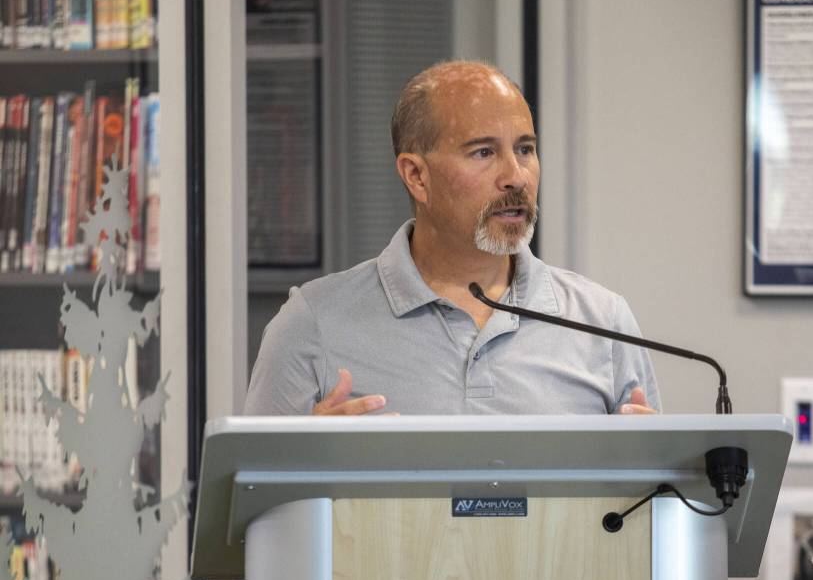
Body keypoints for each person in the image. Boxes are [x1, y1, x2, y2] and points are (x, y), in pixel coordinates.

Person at [244, 60, 660, 417]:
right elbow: (251, 506)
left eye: (526, 149)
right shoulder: (311, 324)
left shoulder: (602, 323)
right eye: (483, 152)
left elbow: (664, 499)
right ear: (416, 176)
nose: (515, 176)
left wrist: (648, 471)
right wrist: (301, 465)